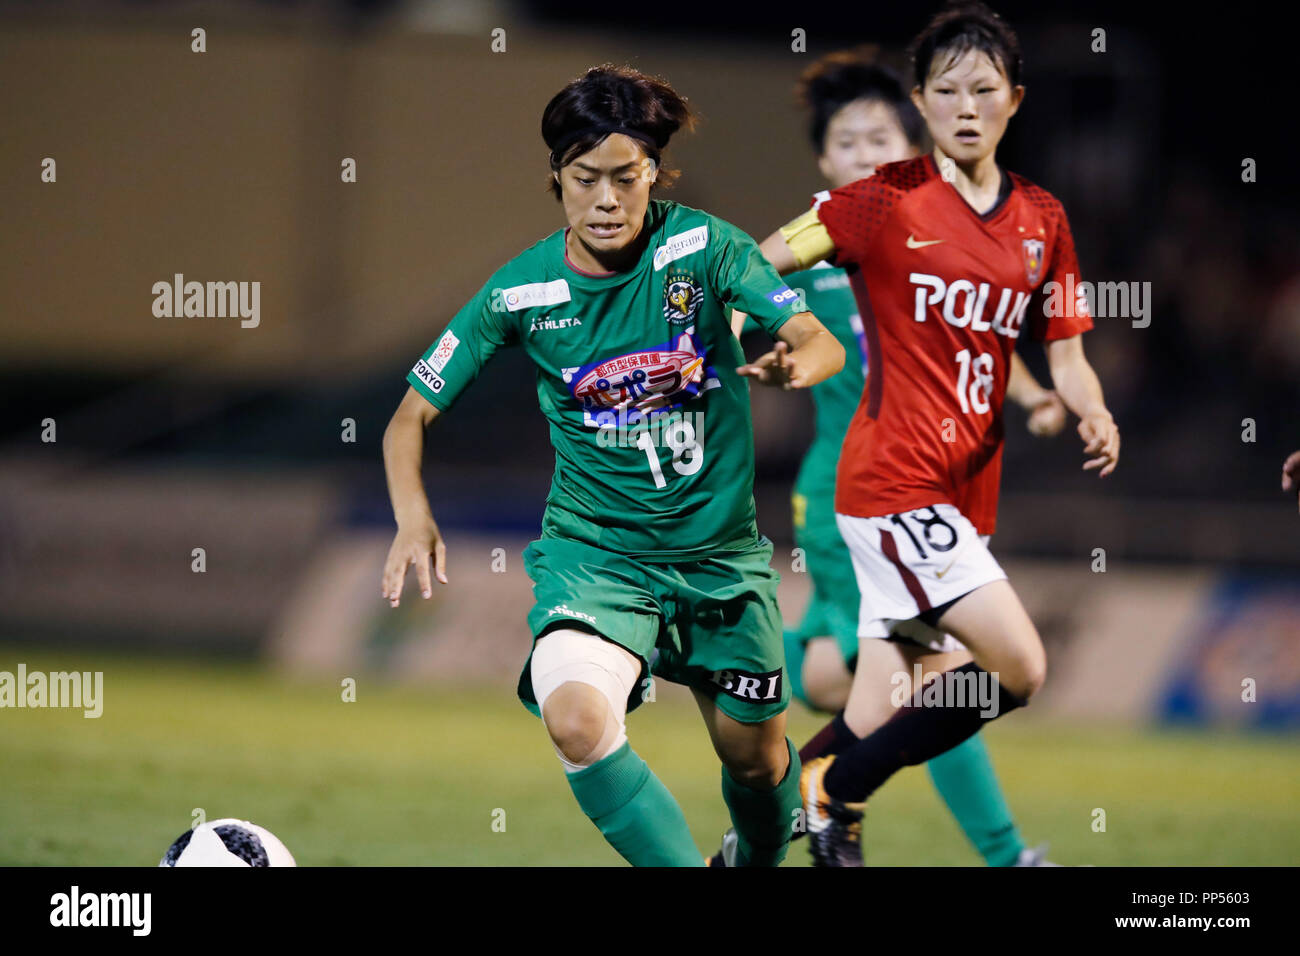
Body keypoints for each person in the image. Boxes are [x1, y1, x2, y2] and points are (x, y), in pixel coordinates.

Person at [380, 64, 844, 867]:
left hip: (722, 564)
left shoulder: (707, 248)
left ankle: (756, 852)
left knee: (758, 763)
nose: (606, 200)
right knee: (578, 723)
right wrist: (413, 516)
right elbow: (407, 418)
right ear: (555, 178)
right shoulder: (517, 294)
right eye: (585, 178)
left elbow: (814, 335)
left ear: (654, 175)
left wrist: (802, 355)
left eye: (626, 179)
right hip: (597, 559)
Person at [750, 3, 1120, 866]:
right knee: (1020, 668)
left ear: (1015, 100)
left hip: (964, 493)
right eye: (945, 88)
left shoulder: (1043, 218)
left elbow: (1063, 350)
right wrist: (765, 332)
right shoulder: (879, 201)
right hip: (891, 487)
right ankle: (836, 795)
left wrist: (1090, 406)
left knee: (876, 712)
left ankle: (748, 844)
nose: (965, 104)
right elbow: (762, 261)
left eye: (983, 89)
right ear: (923, 100)